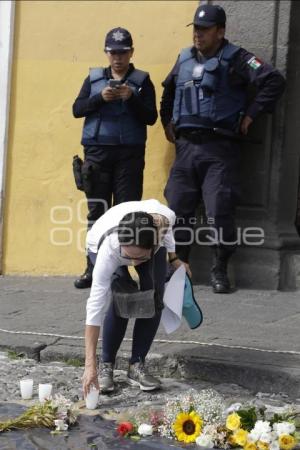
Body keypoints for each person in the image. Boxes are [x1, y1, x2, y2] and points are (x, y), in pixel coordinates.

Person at [160, 4, 286, 293]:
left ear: (221, 31)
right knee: (178, 209)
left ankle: (220, 269)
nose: (198, 35)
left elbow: (273, 80)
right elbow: (168, 90)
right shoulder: (184, 58)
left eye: (204, 30)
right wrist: (167, 121)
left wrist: (252, 114)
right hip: (186, 149)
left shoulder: (238, 58)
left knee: (220, 210)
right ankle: (179, 267)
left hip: (220, 149)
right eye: (196, 29)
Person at [72, 27, 157, 289]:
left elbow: (151, 117)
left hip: (129, 156)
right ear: (106, 53)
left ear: (131, 52)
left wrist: (131, 98)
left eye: (123, 52)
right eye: (113, 52)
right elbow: (77, 109)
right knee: (97, 212)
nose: (118, 57)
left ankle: (121, 271)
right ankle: (93, 268)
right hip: (97, 153)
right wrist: (100, 98)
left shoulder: (142, 81)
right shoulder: (94, 78)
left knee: (125, 214)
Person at [82, 199, 190, 397]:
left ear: (155, 242)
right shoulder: (110, 248)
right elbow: (95, 306)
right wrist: (90, 365)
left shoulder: (165, 221)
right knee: (121, 297)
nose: (132, 262)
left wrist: (174, 259)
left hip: (145, 243)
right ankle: (106, 365)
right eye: (129, 255)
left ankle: (136, 365)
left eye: (137, 258)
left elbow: (167, 234)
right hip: (100, 242)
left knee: (154, 297)